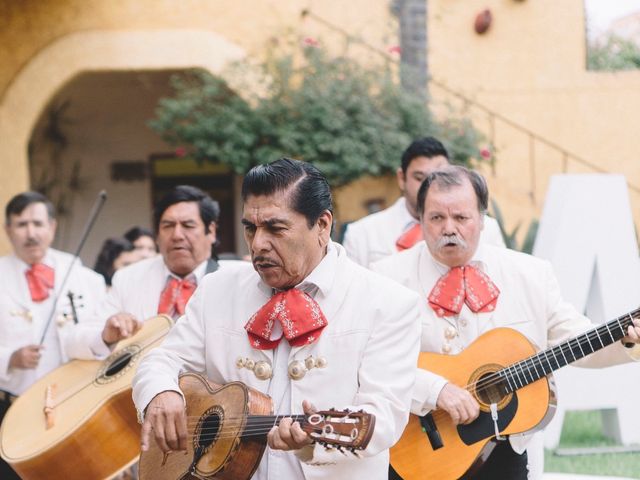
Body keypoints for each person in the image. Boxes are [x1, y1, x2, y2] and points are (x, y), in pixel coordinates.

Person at [131, 158, 421, 480]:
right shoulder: (217, 289)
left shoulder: (389, 303)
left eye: (275, 228)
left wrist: (311, 442)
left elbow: (383, 417)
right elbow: (163, 360)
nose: (258, 245)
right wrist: (160, 392)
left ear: (322, 225)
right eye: (250, 228)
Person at [371, 166, 640, 479]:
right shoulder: (385, 278)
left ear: (483, 219)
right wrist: (434, 390)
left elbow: (578, 340)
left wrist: (628, 342)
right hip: (415, 447)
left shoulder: (531, 275)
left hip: (501, 452)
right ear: (420, 219)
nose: (448, 228)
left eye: (461, 217)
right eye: (436, 218)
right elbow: (372, 361)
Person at [0, 191, 107, 479]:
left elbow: (100, 334)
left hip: (76, 404)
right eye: (21, 225)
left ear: (52, 227)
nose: (31, 233)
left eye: (37, 223)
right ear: (8, 230)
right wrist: (10, 357)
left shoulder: (84, 277)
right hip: (15, 409)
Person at [96, 185, 227, 350]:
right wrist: (105, 335)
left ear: (211, 231)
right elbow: (80, 337)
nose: (177, 235)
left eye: (188, 225)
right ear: (157, 235)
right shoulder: (127, 278)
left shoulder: (234, 282)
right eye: (168, 226)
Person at [343, 136, 505, 268]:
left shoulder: (488, 228)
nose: (430, 185)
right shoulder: (362, 234)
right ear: (402, 178)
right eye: (420, 178)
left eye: (440, 176)